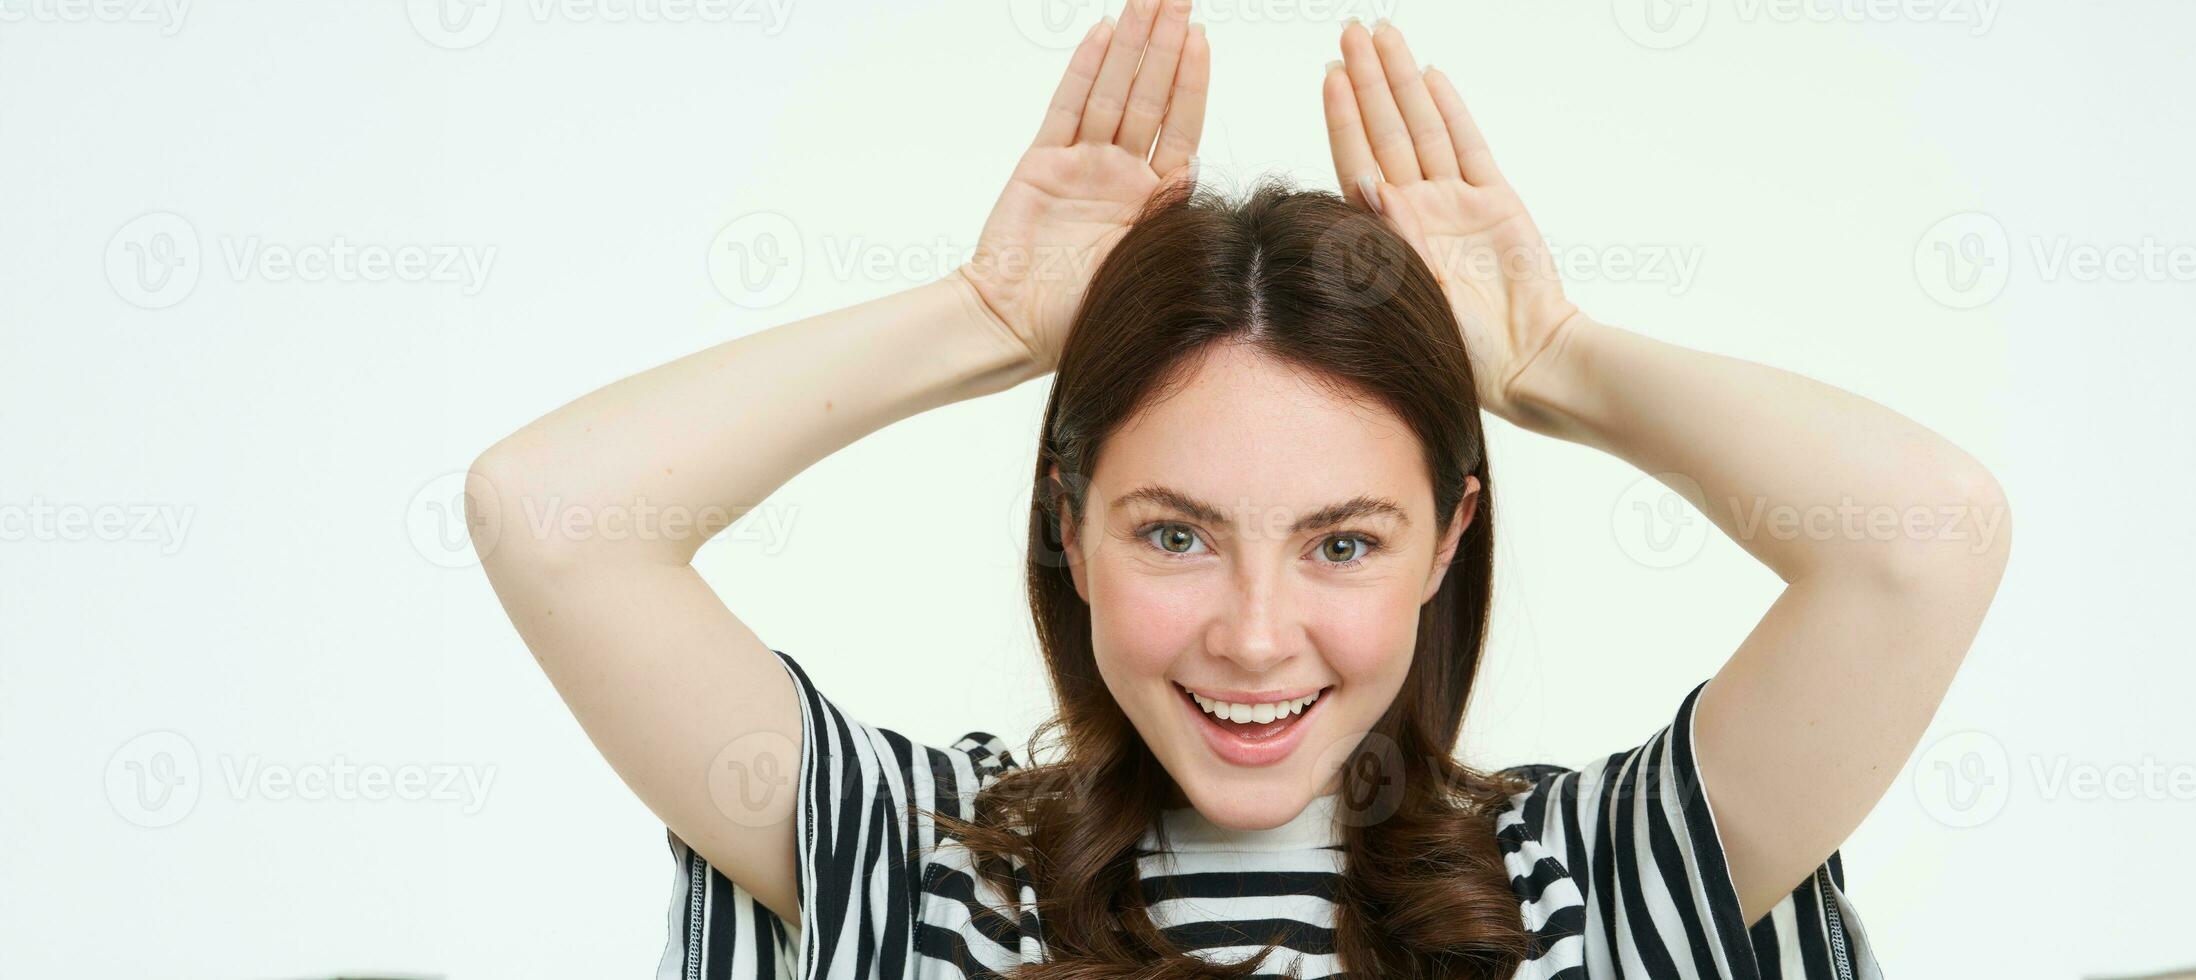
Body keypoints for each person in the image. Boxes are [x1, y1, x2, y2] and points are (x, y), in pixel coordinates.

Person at [466, 3, 2007, 977]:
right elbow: (553, 513)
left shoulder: (1605, 881)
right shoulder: (909, 861)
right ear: (1068, 527)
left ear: (1446, 540)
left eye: (1343, 540)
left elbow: (1923, 542)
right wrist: (990, 314)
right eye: (1176, 533)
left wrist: (1550, 356)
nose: (1257, 639)